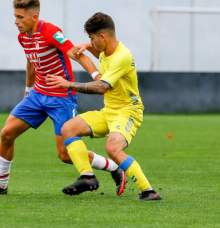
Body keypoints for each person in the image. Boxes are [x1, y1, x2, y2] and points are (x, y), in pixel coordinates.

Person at [0, 0, 127, 195]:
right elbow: (31, 62)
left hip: (61, 98)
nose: (16, 22)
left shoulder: (51, 32)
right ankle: (1, 186)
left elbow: (76, 54)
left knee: (64, 154)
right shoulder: (23, 37)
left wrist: (97, 76)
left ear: (34, 17)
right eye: (15, 16)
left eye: (20, 17)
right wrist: (28, 91)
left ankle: (114, 167)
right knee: (6, 133)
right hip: (38, 94)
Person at [46, 12, 163, 200]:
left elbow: (102, 87)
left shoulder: (122, 56)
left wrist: (67, 84)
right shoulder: (106, 52)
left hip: (127, 112)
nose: (90, 42)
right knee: (68, 128)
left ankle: (149, 192)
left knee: (113, 148)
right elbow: (102, 56)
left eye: (92, 38)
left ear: (103, 36)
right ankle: (88, 177)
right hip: (109, 111)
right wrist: (89, 47)